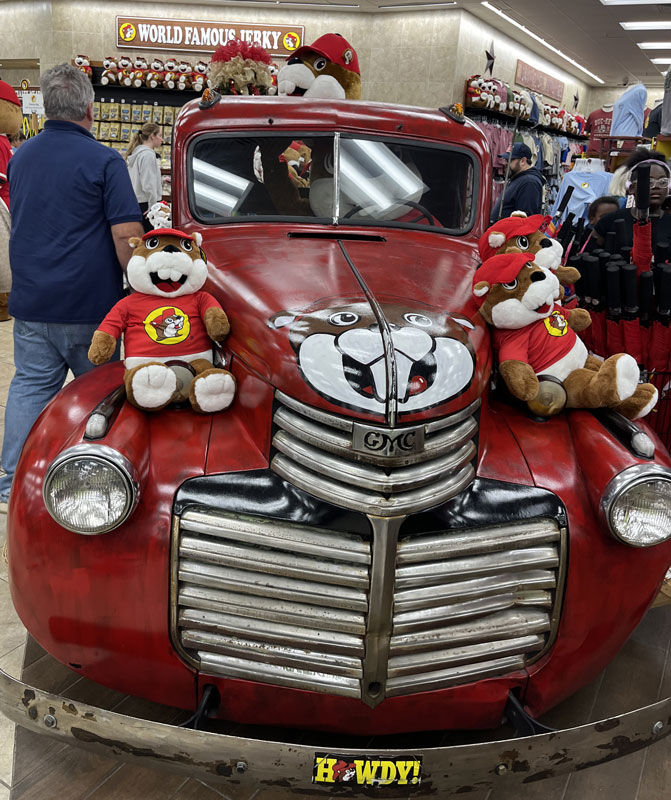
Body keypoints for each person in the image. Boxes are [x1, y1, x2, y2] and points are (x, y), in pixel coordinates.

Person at [0, 63, 143, 508]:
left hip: (33, 302)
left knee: (29, 387)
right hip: (90, 307)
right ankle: (98, 477)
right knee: (101, 392)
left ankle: (10, 484)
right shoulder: (104, 160)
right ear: (89, 107)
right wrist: (140, 286)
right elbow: (125, 234)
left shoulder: (21, 156)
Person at [594, 148, 671, 249]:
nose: (656, 186)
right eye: (649, 181)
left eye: (662, 182)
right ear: (631, 188)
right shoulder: (610, 221)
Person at [126, 122, 163, 232]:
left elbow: (139, 179)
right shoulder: (148, 155)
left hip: (137, 202)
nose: (162, 139)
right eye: (160, 135)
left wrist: (160, 180)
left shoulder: (137, 153)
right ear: (152, 136)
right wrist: (153, 206)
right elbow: (148, 184)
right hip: (147, 204)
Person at [492, 142, 544, 221]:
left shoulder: (529, 182)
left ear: (523, 161)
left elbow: (524, 221)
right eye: (505, 160)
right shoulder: (519, 179)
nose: (505, 163)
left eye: (509, 160)